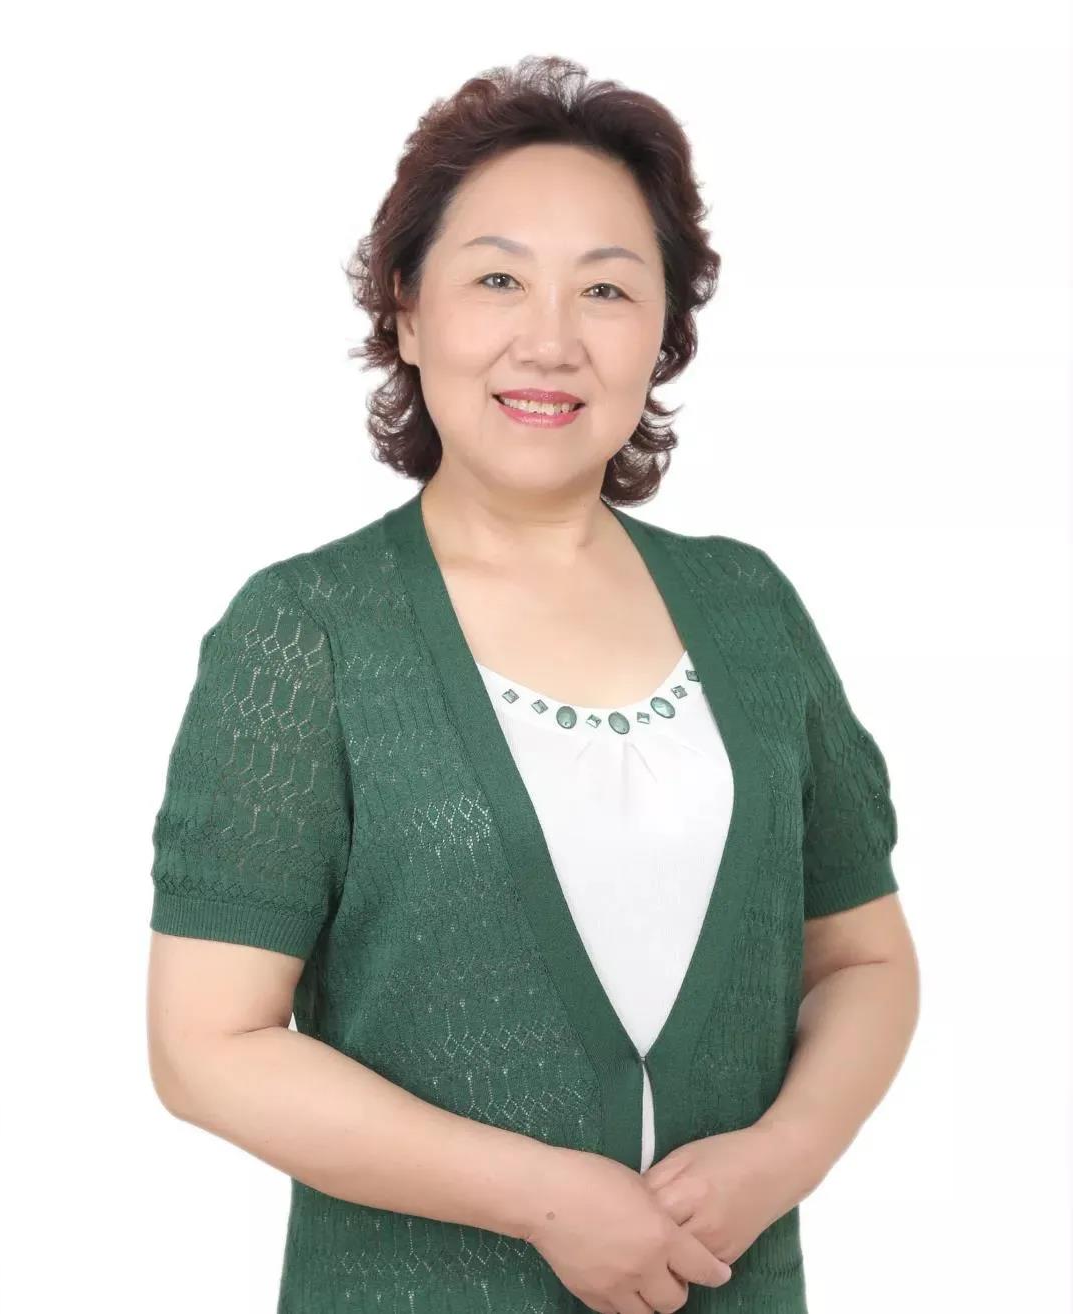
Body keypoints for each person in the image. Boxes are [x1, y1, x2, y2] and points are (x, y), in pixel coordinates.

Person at [146, 54, 919, 1314]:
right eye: (497, 278)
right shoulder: (306, 634)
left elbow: (863, 959)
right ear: (408, 312)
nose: (550, 341)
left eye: (606, 289)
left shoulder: (750, 608)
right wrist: (544, 1199)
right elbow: (206, 1045)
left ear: (664, 333)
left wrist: (783, 1157)